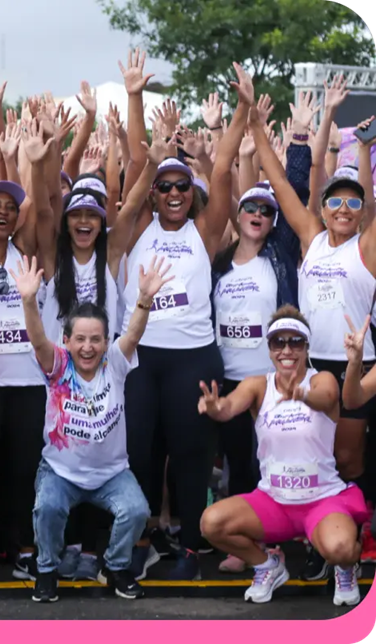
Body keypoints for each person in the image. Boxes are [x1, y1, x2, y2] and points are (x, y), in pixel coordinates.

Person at [120, 59, 251, 580]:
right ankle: (144, 538)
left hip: (193, 357)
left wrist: (241, 109)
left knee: (192, 453)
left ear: (191, 194)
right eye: (165, 186)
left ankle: (192, 547)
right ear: (153, 193)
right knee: (140, 453)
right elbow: (138, 160)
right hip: (141, 357)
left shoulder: (204, 231)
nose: (174, 193)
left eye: (182, 187)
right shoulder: (136, 229)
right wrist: (135, 97)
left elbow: (221, 169)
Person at [250, 96, 376, 582]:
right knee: (317, 456)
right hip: (311, 365)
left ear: (361, 211)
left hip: (356, 367)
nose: (343, 208)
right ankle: (323, 539)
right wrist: (254, 121)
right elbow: (280, 183)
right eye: (334, 201)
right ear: (321, 209)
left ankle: (350, 538)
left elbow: (371, 202)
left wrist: (363, 150)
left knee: (348, 458)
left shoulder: (367, 246)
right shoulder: (312, 236)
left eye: (352, 202)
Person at [16, 253, 169, 602]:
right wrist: (28, 301)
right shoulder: (58, 365)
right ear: (67, 341)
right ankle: (47, 569)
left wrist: (144, 300)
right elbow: (38, 340)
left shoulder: (114, 363)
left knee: (137, 510)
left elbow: (133, 334)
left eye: (96, 339)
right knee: (47, 508)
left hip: (111, 473)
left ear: (105, 341)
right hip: (60, 472)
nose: (88, 347)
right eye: (80, 339)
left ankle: (115, 567)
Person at [200, 307, 366, 607]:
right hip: (273, 501)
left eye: (295, 342)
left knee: (341, 549)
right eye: (279, 342)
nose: (287, 350)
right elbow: (229, 407)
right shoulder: (258, 385)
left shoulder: (321, 379)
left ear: (306, 347)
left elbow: (327, 397)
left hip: (321, 500)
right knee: (211, 523)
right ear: (269, 348)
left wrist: (302, 395)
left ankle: (345, 568)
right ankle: (267, 565)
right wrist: (215, 408)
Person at [209, 184, 300, 573]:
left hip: (270, 380)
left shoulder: (279, 256)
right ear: (239, 213)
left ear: (274, 221)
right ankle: (246, 541)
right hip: (229, 378)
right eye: (250, 207)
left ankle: (276, 540)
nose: (258, 214)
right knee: (238, 463)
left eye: (266, 210)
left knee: (271, 460)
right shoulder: (220, 264)